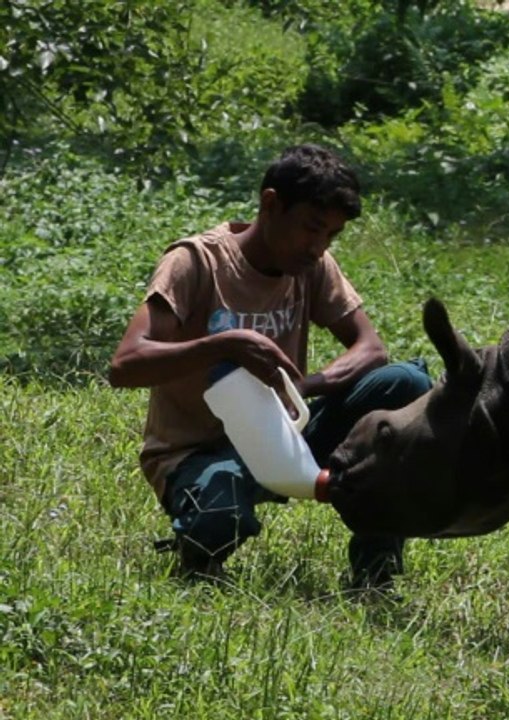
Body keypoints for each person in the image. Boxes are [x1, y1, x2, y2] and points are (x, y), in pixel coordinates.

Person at [108, 144, 431, 590]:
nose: (318, 248)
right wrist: (222, 346)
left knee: (407, 383)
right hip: (199, 452)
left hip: (285, 434)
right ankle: (197, 542)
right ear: (270, 204)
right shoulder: (196, 263)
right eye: (311, 229)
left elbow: (370, 348)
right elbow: (125, 365)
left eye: (331, 236)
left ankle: (377, 571)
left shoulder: (312, 267)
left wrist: (301, 385)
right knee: (215, 519)